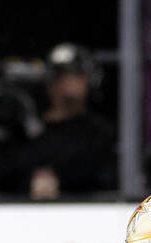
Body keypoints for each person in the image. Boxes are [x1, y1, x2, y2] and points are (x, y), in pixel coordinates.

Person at [26, 43, 114, 199]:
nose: (65, 82)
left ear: (89, 80)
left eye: (74, 74)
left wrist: (59, 180)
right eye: (58, 75)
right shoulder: (31, 128)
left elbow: (101, 176)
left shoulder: (99, 131)